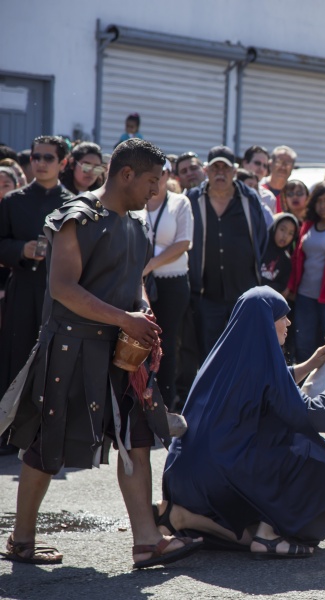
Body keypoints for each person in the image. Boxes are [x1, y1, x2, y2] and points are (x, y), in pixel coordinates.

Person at [1, 139, 201, 568]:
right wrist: (125, 319)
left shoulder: (137, 221)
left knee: (138, 438)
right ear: (126, 174)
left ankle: (147, 542)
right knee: (44, 445)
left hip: (123, 354)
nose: (155, 190)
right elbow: (63, 288)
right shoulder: (76, 216)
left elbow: (135, 278)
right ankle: (21, 540)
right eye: (151, 180)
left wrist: (141, 305)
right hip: (71, 347)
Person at [157, 287, 325, 557]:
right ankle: (269, 535)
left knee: (268, 435)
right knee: (302, 445)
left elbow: (265, 388)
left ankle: (182, 517)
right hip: (219, 476)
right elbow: (310, 415)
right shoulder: (263, 362)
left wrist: (307, 365)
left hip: (184, 478)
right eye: (283, 316)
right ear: (266, 323)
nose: (289, 323)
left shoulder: (223, 355)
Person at [0, 136, 74, 395]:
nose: (40, 163)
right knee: (16, 358)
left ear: (63, 163)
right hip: (21, 289)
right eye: (36, 157)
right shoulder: (13, 201)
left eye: (48, 158)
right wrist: (21, 249)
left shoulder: (73, 205)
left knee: (53, 361)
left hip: (57, 294)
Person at [186, 146, 268, 359]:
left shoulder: (249, 198)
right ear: (206, 171)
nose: (220, 172)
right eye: (215, 168)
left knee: (243, 351)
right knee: (208, 354)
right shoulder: (193, 199)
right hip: (206, 293)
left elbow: (261, 238)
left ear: (235, 171)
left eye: (225, 168)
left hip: (243, 292)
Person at [142, 162, 193, 411]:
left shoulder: (180, 202)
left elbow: (183, 243)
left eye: (161, 172)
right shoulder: (138, 201)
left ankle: (165, 404)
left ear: (168, 175)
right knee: (140, 341)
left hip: (172, 282)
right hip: (141, 283)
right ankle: (140, 398)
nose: (156, 177)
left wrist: (150, 264)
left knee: (168, 344)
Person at [289, 182, 325, 363]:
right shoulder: (307, 225)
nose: (323, 205)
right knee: (304, 344)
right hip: (304, 295)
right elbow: (297, 259)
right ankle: (303, 387)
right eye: (319, 201)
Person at [260, 213, 299, 296]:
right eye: (282, 229)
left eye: (290, 233)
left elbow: (281, 285)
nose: (285, 236)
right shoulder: (260, 247)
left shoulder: (286, 261)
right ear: (275, 227)